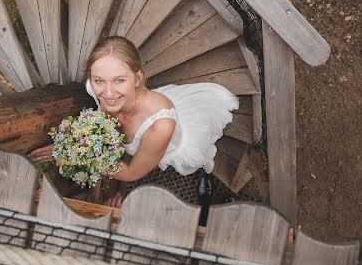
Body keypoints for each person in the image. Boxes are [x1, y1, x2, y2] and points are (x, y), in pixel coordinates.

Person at [30, 36, 239, 207]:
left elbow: (132, 172)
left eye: (119, 80)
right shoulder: (97, 90)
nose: (107, 93)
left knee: (168, 203)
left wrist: (72, 154)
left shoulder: (160, 126)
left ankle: (219, 198)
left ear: (138, 79)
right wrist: (69, 142)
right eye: (99, 80)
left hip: (166, 158)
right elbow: (103, 126)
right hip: (140, 151)